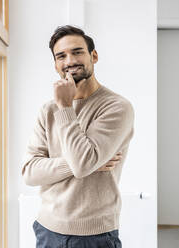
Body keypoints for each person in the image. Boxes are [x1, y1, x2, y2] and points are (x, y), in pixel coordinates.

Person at [21, 25, 134, 248]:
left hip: (94, 236)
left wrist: (65, 106)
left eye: (77, 52)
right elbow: (30, 172)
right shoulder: (47, 110)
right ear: (56, 65)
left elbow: (82, 164)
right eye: (61, 56)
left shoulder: (116, 107)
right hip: (47, 229)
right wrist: (84, 162)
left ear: (94, 55)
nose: (70, 60)